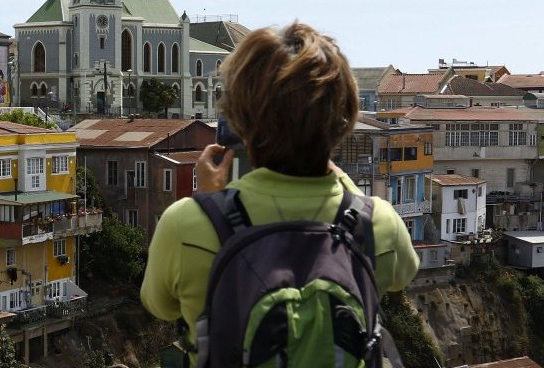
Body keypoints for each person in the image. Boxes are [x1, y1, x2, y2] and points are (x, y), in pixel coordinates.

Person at [142, 20, 418, 350]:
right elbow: (405, 273)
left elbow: (159, 305)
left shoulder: (184, 225)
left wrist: (209, 205)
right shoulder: (378, 224)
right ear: (344, 118)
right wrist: (342, 180)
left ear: (238, 120)